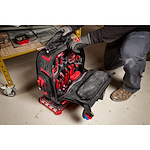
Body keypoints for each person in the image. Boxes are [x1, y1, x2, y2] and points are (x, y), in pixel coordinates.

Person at [58, 25, 150, 102]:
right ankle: (130, 45)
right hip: (120, 26)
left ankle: (130, 87)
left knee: (131, 55)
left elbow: (121, 25)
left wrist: (87, 39)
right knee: (110, 65)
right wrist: (71, 26)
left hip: (143, 28)